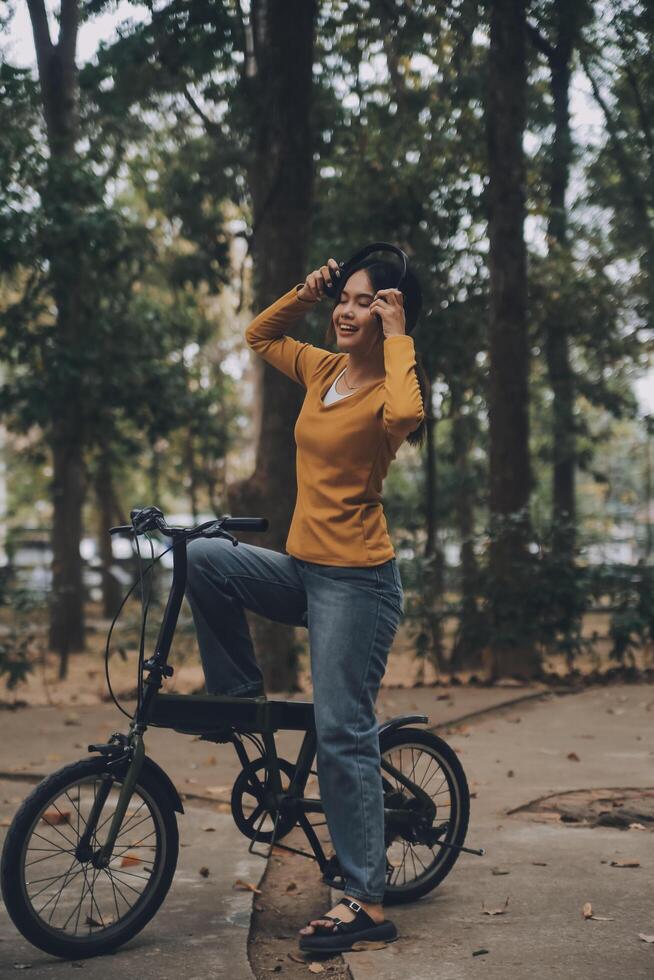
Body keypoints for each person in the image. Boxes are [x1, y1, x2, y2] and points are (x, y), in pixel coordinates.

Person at [184, 255, 427, 954]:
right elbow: (260, 336)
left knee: (342, 727)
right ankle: (236, 696)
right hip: (301, 569)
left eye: (363, 303)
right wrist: (305, 289)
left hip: (358, 583)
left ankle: (365, 900)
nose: (346, 312)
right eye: (343, 300)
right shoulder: (323, 371)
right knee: (202, 557)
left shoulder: (391, 388)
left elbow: (411, 413)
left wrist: (399, 328)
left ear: (387, 316)